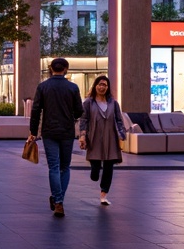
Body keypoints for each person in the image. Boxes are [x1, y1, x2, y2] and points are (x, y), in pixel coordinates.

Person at [28, 57, 83, 217]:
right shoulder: (72, 88)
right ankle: (59, 201)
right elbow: (79, 110)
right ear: (66, 69)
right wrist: (71, 116)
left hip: (49, 131)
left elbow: (36, 110)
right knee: (65, 167)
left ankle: (58, 201)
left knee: (53, 166)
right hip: (67, 132)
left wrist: (33, 132)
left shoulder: (43, 87)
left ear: (51, 69)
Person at [77, 75, 129, 206]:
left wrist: (122, 133)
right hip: (94, 137)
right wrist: (82, 136)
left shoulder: (113, 103)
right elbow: (83, 120)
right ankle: (94, 172)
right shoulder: (88, 103)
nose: (102, 87)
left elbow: (119, 119)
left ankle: (103, 194)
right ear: (95, 86)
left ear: (108, 87)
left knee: (109, 166)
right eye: (100, 84)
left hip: (110, 137)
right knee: (95, 170)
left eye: (105, 85)